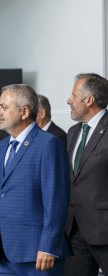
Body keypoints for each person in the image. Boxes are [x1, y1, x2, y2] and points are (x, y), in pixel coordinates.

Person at [0, 84, 71, 275]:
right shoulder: (0, 147)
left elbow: (56, 201)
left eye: (3, 107)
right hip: (1, 256)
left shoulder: (49, 144)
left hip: (37, 254)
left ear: (24, 111)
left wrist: (48, 246)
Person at [64, 73, 108, 275]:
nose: (69, 100)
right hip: (74, 230)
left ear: (89, 100)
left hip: (104, 230)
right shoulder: (73, 132)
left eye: (73, 95)